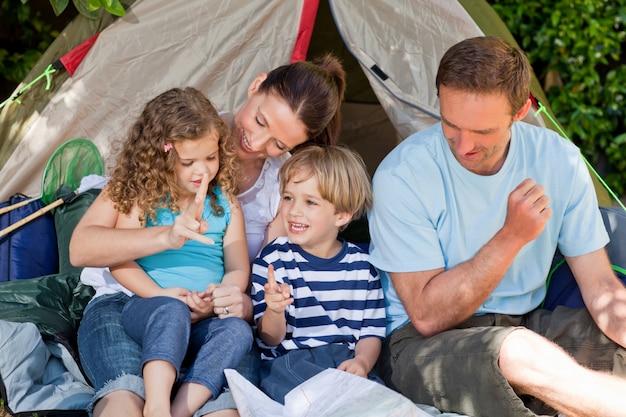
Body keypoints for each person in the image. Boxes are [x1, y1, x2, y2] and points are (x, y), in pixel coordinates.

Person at [70, 54, 346, 417]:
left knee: (224, 405)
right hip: (128, 302)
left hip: (214, 316)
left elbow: (262, 272)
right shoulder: (179, 134)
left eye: (280, 144)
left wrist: (244, 302)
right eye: (260, 120)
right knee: (124, 402)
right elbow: (83, 247)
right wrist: (167, 237)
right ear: (255, 86)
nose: (258, 142)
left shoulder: (282, 186)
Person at [368, 36, 626, 417]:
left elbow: (602, 288)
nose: (463, 146)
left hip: (529, 322)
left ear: (520, 111)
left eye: (482, 132)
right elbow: (426, 316)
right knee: (519, 353)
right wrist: (511, 237)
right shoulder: (402, 175)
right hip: (424, 346)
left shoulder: (559, 160)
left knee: (603, 345)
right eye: (450, 124)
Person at [105, 87, 252, 417]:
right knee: (170, 312)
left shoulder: (226, 202)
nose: (203, 171)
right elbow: (119, 261)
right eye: (188, 162)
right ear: (163, 156)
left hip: (203, 314)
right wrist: (161, 296)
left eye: (211, 158)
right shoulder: (144, 198)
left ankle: (182, 408)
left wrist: (225, 291)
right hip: (148, 306)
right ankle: (156, 406)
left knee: (237, 331)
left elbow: (237, 265)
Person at [250, 145, 386, 403]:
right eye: (288, 197)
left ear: (342, 215)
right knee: (317, 402)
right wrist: (274, 310)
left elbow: (371, 332)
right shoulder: (273, 260)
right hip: (290, 362)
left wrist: (362, 362)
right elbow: (269, 339)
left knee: (378, 401)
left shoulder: (363, 267)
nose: (294, 210)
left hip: (344, 361)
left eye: (310, 202)